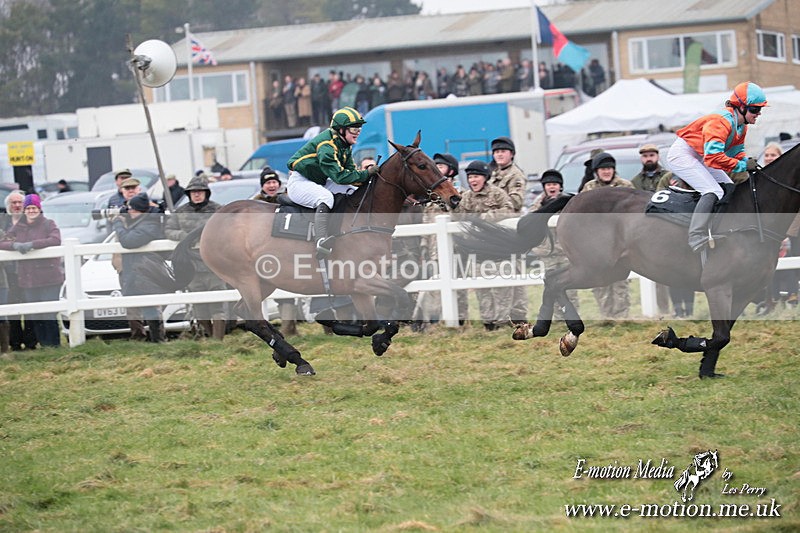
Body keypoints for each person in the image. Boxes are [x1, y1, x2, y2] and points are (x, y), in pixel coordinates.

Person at [666, 81, 767, 252]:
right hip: (683, 154)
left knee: (728, 187)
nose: (758, 114)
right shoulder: (721, 122)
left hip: (701, 155)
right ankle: (695, 235)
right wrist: (742, 165)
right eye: (755, 109)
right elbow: (714, 158)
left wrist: (747, 163)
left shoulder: (741, 126)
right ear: (741, 107)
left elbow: (737, 152)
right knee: (713, 191)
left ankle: (717, 228)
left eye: (760, 110)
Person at [286, 106, 380, 257]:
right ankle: (321, 240)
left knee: (353, 191)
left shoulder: (345, 145)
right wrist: (367, 173)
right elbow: (340, 177)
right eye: (354, 129)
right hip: (300, 183)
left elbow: (352, 175)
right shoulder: (327, 146)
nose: (358, 132)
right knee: (326, 197)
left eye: (359, 128)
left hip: (319, 181)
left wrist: (369, 179)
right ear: (341, 129)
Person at [165, 176, 227, 340]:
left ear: (206, 193)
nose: (197, 195)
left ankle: (218, 340)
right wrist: (183, 236)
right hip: (191, 266)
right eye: (193, 192)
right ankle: (208, 336)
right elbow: (169, 230)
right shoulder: (180, 212)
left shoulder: (218, 210)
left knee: (217, 303)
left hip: (214, 265)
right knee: (199, 305)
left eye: (199, 192)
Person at [0, 194, 64, 347]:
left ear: (39, 209)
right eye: (28, 208)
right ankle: (43, 344)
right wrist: (15, 246)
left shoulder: (48, 223)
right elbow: (3, 241)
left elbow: (55, 240)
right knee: (36, 314)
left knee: (49, 313)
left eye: (34, 207)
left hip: (48, 277)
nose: (31, 211)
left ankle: (54, 345)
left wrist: (32, 244)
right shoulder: (19, 226)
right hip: (28, 277)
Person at [459, 160, 514, 330]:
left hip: (498, 251)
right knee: (482, 290)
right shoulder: (466, 197)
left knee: (501, 290)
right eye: (470, 177)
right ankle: (488, 324)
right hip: (477, 252)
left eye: (476, 176)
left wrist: (484, 219)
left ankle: (503, 323)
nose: (472, 180)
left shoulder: (497, 193)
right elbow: (459, 217)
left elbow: (509, 210)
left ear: (485, 178)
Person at [581, 152, 634, 320]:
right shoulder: (589, 188)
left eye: (609, 168)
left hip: (620, 244)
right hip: (596, 244)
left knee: (620, 282)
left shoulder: (625, 186)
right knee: (600, 281)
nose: (607, 172)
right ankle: (606, 317)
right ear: (597, 171)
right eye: (603, 169)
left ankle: (622, 318)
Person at [112, 192, 167, 342]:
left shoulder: (150, 224)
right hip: (136, 271)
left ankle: (158, 340)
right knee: (142, 306)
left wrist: (118, 223)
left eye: (132, 209)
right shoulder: (141, 221)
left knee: (150, 308)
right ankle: (152, 340)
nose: (129, 212)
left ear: (140, 210)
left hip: (145, 271)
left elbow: (128, 241)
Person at [488, 136, 528, 323]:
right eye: (496, 152)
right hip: (495, 232)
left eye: (503, 151)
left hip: (511, 230)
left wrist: (492, 208)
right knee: (498, 273)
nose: (499, 154)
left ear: (511, 154)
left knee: (515, 273)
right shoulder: (492, 175)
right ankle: (501, 315)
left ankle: (518, 315)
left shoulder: (515, 175)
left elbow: (515, 202)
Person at [529, 169, 579, 320]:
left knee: (570, 286)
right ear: (544, 187)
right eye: (549, 184)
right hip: (547, 253)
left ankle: (573, 316)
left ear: (560, 187)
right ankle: (557, 317)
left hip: (566, 252)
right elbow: (532, 219)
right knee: (551, 286)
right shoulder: (537, 203)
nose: (552, 187)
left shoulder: (568, 202)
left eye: (555, 184)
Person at [631, 143, 673, 316]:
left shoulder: (668, 176)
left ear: (657, 156)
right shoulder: (635, 182)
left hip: (666, 226)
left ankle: (669, 309)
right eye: (645, 156)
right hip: (643, 229)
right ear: (641, 158)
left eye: (651, 155)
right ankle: (658, 311)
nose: (649, 158)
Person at [1, 191, 37, 351]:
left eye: (19, 203)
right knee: (12, 307)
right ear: (8, 206)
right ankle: (14, 343)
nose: (16, 206)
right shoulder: (3, 223)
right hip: (9, 273)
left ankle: (31, 342)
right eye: (13, 203)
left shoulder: (31, 221)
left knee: (30, 306)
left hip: (28, 271)